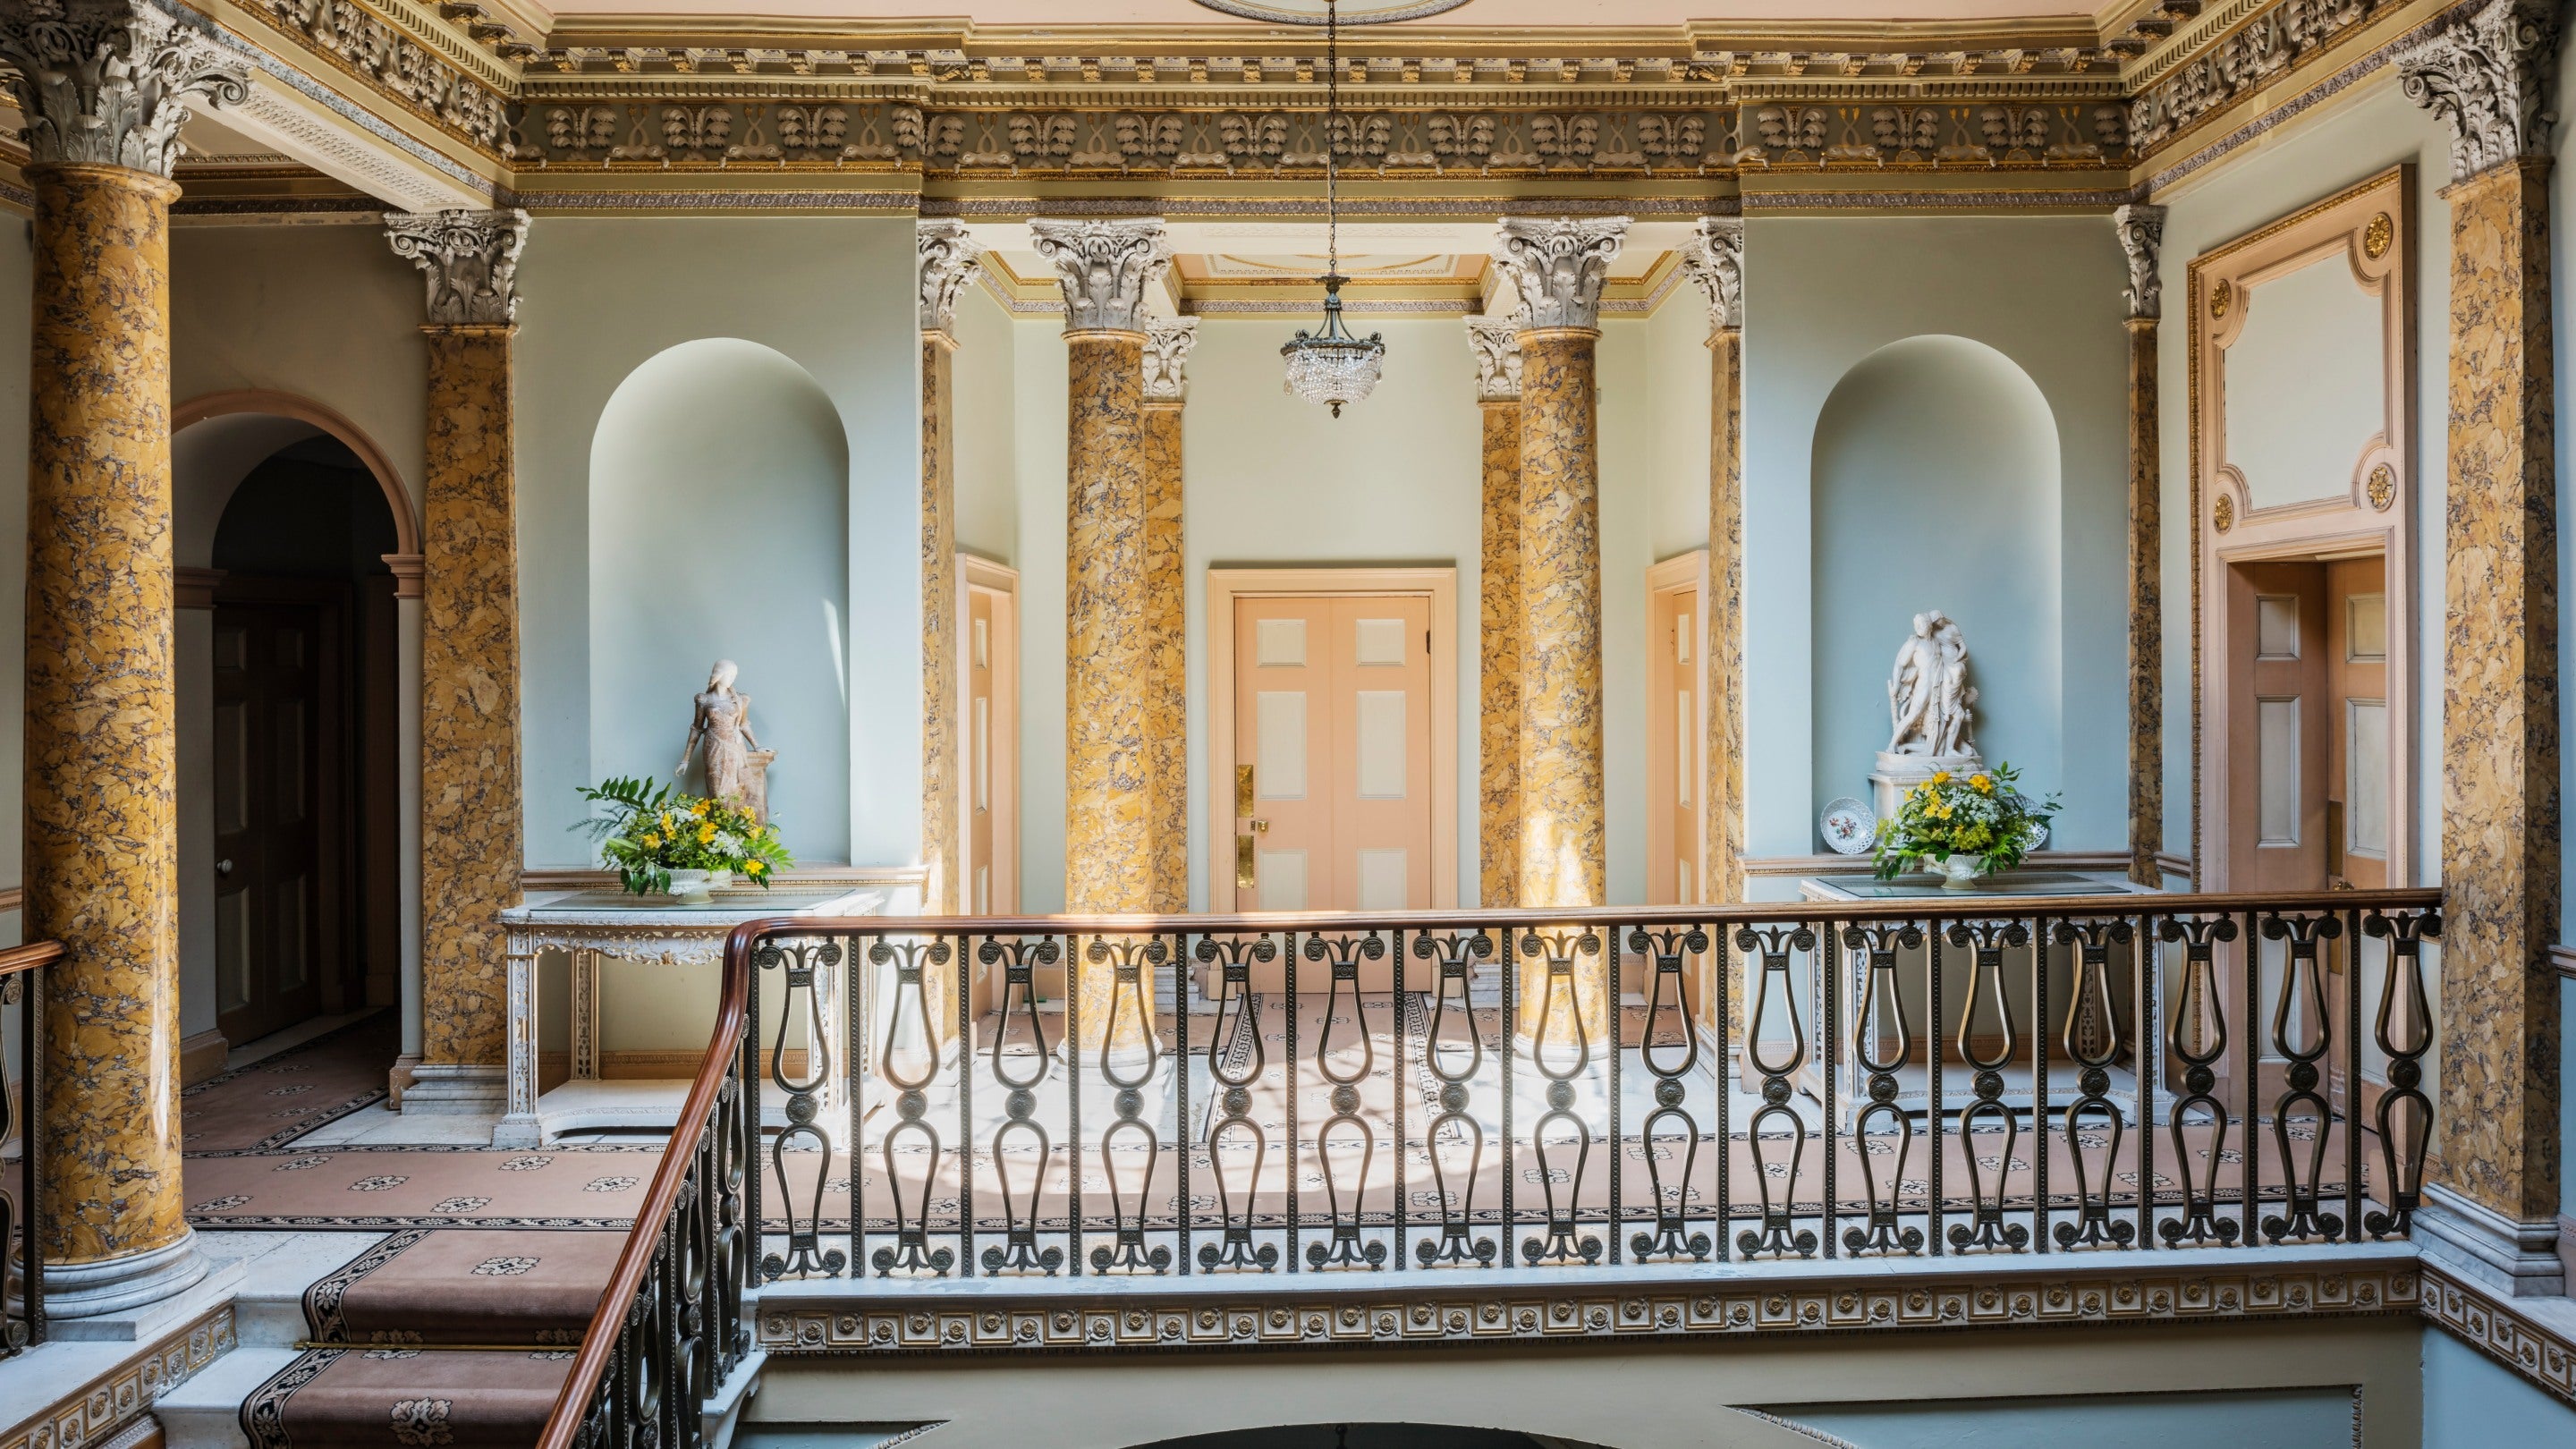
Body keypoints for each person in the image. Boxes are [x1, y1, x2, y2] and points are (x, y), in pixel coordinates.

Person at [677, 659, 760, 805]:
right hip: (713, 747)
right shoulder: (704, 700)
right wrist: (685, 760)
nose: (732, 679)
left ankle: (733, 826)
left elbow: (744, 725)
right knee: (716, 791)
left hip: (734, 748)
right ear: (719, 675)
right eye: (730, 675)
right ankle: (721, 825)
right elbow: (696, 729)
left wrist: (757, 746)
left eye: (734, 675)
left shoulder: (740, 700)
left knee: (735, 790)